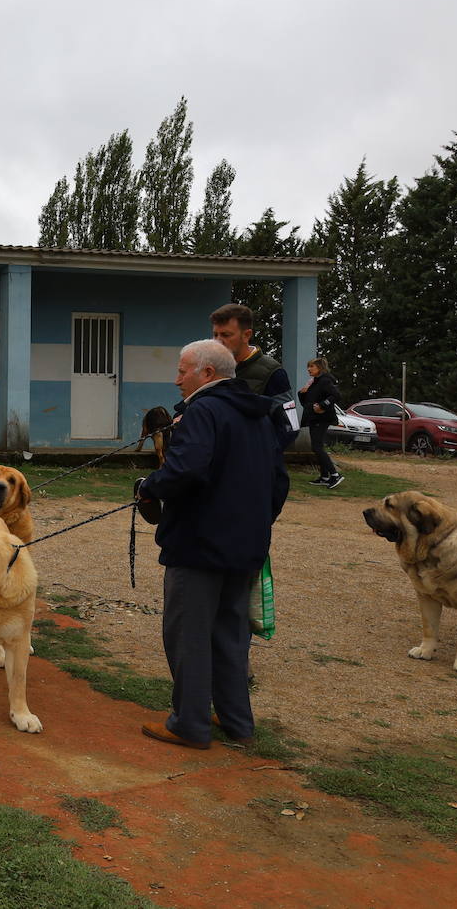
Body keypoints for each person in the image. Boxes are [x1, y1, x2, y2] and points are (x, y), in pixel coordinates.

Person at [135, 339, 289, 750]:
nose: (177, 379)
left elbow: (186, 467)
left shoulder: (203, 410)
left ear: (206, 374)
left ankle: (189, 724)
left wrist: (150, 487)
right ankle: (238, 722)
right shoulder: (259, 414)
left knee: (188, 635)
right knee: (230, 637)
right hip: (245, 547)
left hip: (198, 546)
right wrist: (255, 525)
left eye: (182, 371)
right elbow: (279, 482)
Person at [209, 303, 291, 399]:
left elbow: (285, 413)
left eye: (226, 335)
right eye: (215, 335)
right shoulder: (210, 367)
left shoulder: (272, 372)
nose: (218, 341)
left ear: (247, 335)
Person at [299, 357, 343, 488]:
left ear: (320, 368)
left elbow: (336, 395)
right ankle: (324, 477)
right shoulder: (314, 382)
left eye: (312, 366)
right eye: (308, 366)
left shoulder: (325, 381)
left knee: (317, 447)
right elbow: (305, 403)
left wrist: (323, 405)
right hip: (313, 418)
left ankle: (335, 475)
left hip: (323, 418)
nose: (308, 369)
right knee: (317, 447)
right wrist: (302, 393)